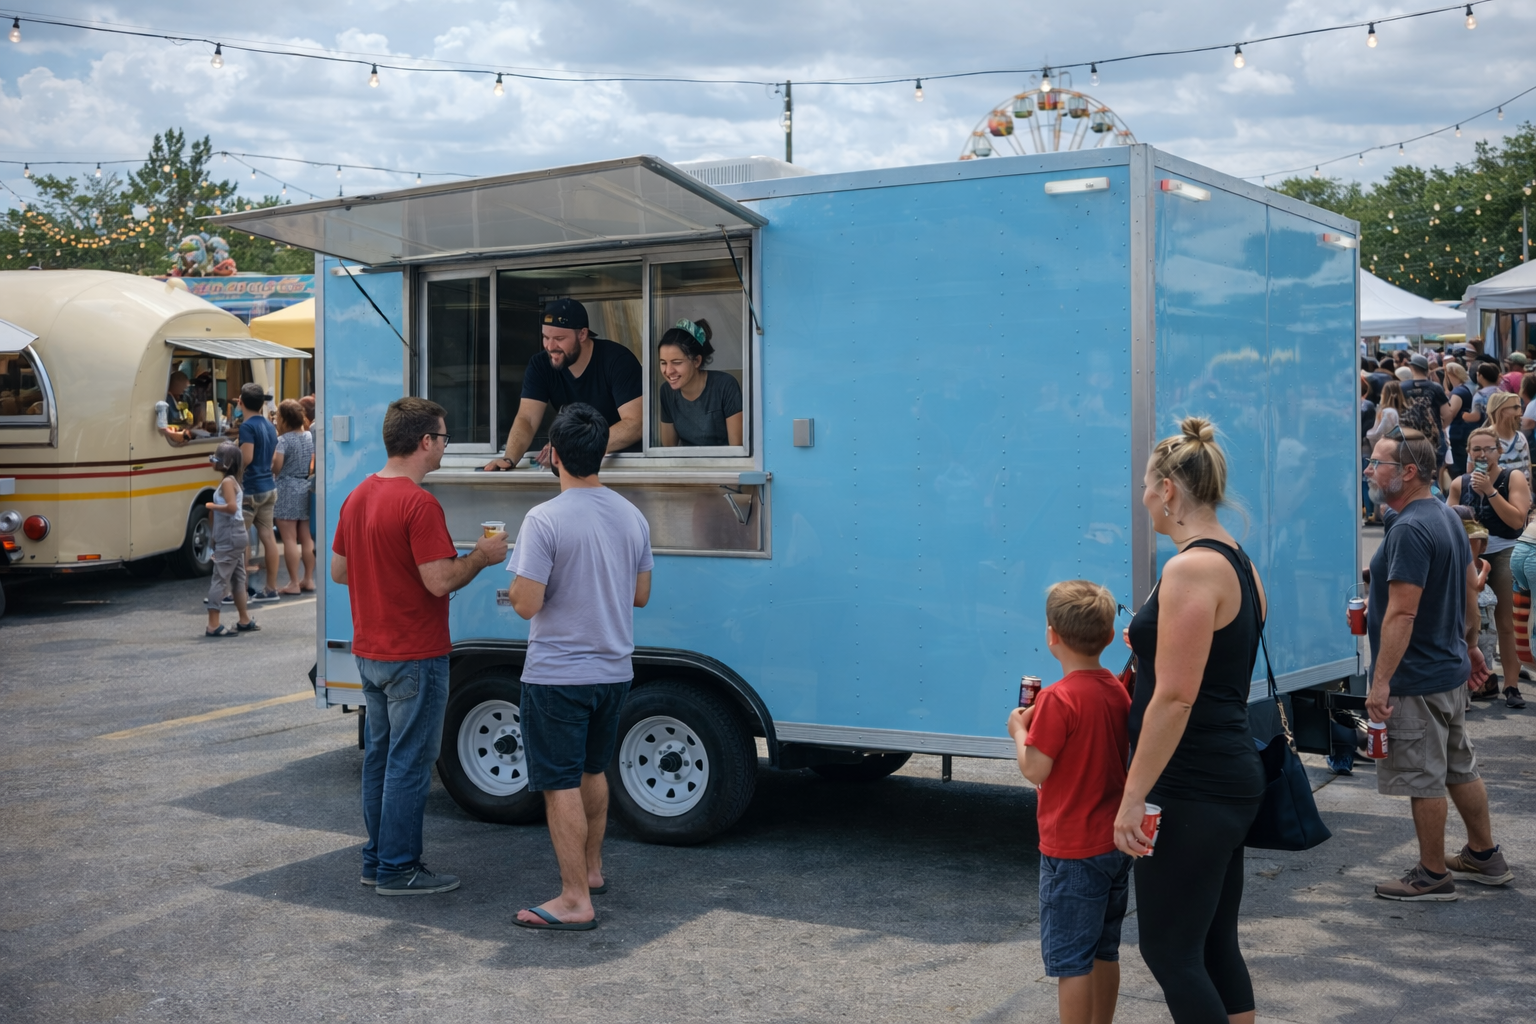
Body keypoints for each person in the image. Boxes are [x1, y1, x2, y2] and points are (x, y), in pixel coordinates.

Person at [1112, 417, 1266, 1024]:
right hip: (1224, 772)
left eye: (1147, 488)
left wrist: (1132, 796)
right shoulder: (1237, 561)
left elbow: (1175, 699)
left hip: (1193, 780)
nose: (1144, 499)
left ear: (1169, 490)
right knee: (1211, 943)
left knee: (1170, 950)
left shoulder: (1190, 569)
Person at [331, 397, 508, 895]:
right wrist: (481, 557)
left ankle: (376, 859)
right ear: (425, 442)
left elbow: (339, 571)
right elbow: (438, 581)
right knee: (409, 764)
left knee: (381, 759)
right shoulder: (419, 503)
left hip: (370, 650)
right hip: (415, 652)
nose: (446, 447)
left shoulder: (359, 495)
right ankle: (398, 868)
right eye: (445, 438)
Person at [507, 402, 653, 930]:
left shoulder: (544, 518)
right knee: (593, 771)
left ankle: (573, 900)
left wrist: (514, 583)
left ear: (554, 456)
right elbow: (641, 595)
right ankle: (590, 870)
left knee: (559, 782)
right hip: (614, 670)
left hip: (558, 674)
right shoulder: (630, 513)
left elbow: (526, 603)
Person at [1361, 425, 1514, 899]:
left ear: (1407, 472)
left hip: (1418, 675)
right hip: (1447, 667)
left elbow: (1403, 612)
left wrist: (1381, 681)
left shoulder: (1409, 526)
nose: (1369, 469)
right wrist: (1469, 644)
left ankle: (1433, 874)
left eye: (1377, 462)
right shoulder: (1447, 515)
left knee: (1424, 775)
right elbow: (1470, 586)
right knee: (1457, 766)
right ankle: (1484, 855)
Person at [1006, 580, 1132, 1024]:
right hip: (1112, 843)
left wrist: (1019, 731)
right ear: (1110, 636)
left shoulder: (1059, 698)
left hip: (1072, 848)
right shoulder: (1116, 690)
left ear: (1051, 636)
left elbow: (1035, 769)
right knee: (1105, 948)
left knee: (1070, 960)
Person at [483, 298, 643, 471]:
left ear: (582, 334)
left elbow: (636, 424)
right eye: (545, 337)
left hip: (625, 464)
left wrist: (575, 446)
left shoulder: (617, 360)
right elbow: (527, 419)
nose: (550, 346)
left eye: (559, 338)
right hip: (573, 468)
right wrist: (509, 458)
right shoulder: (540, 365)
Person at [1448, 426, 1530, 707]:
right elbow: (1447, 522)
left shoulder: (1512, 477)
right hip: (1468, 555)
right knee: (1465, 621)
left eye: (1489, 449)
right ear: (1469, 453)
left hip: (1505, 549)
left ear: (1499, 450)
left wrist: (1491, 491)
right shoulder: (1460, 482)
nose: (1483, 454)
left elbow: (1517, 521)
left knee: (1505, 622)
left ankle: (1511, 685)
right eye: (1477, 450)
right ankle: (1465, 683)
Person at [656, 318, 743, 447]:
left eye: (677, 362)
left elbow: (737, 449)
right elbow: (668, 450)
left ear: (697, 361)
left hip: (724, 465)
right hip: (687, 465)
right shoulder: (666, 391)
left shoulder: (725, 385)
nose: (668, 371)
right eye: (663, 363)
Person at [202, 442, 257, 638]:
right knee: (238, 578)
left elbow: (232, 508)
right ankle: (244, 619)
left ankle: (213, 624)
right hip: (237, 534)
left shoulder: (227, 483)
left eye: (219, 456)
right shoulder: (232, 480)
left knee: (220, 579)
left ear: (228, 462)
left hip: (231, 535)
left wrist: (211, 506)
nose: (214, 460)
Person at [237, 383, 282, 603]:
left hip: (250, 489)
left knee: (240, 537)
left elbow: (246, 458)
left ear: (240, 402)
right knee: (268, 537)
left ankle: (241, 590)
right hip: (268, 487)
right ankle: (271, 588)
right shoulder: (270, 425)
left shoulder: (247, 427)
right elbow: (272, 457)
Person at [271, 399, 316, 595]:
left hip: (287, 488)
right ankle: (309, 578)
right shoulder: (308, 436)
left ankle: (294, 582)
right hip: (305, 486)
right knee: (306, 537)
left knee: (289, 539)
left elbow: (277, 467)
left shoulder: (283, 440)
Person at [1487, 391, 1531, 481]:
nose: (1520, 413)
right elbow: (1476, 475)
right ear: (1500, 410)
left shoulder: (1521, 437)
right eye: (1516, 408)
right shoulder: (1485, 439)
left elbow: (1528, 469)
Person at [1444, 361, 1476, 477]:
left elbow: (1451, 413)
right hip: (1463, 431)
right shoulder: (1464, 389)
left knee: (1459, 466)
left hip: (1458, 433)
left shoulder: (1457, 392)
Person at [156, 371, 195, 446]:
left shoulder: (179, 401)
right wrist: (173, 434)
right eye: (184, 389)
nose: (185, 393)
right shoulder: (166, 401)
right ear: (177, 386)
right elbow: (161, 426)